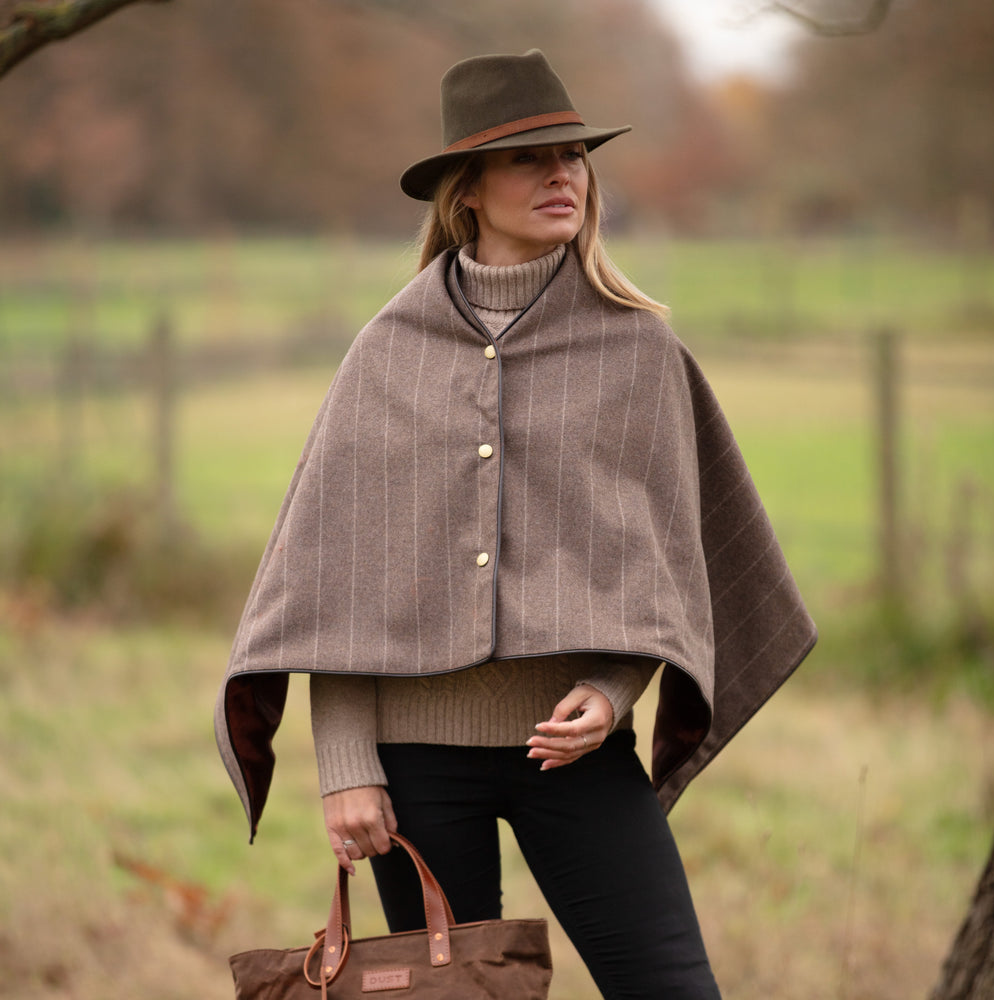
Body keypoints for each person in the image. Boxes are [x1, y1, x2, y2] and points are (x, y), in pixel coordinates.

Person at [215, 49, 816, 999]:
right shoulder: (386, 353)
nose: (562, 174)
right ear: (467, 192)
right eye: (531, 158)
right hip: (412, 771)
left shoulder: (639, 349)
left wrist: (615, 689)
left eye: (574, 155)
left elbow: (668, 562)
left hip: (575, 754)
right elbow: (330, 582)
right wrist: (344, 766)